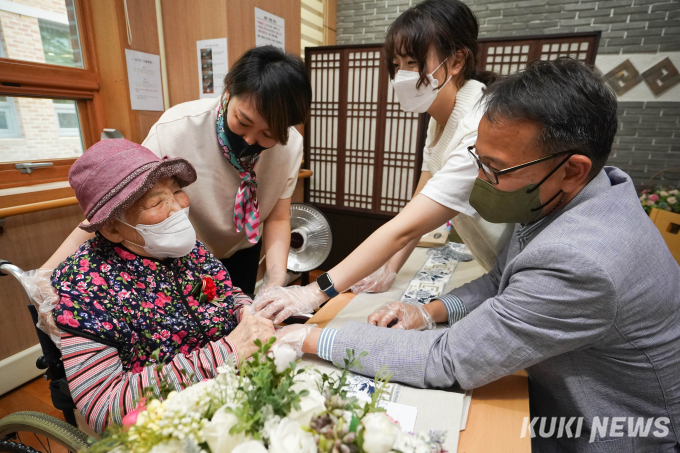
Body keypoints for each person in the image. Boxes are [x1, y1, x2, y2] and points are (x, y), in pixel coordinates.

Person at [275, 58, 680, 452]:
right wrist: (429, 311)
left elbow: (448, 360)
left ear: (572, 169)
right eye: (478, 162)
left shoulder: (581, 259)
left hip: (609, 430)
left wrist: (311, 335)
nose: (481, 180)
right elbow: (502, 278)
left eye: (495, 169)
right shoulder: (565, 194)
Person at [254, 0, 512, 322]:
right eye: (397, 62)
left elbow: (404, 229)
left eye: (413, 61)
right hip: (496, 264)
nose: (402, 74)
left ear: (456, 60)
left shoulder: (476, 128)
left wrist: (314, 292)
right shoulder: (440, 119)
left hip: (515, 264)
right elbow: (420, 198)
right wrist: (390, 268)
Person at [44, 45, 312, 295]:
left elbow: (277, 218)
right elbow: (116, 201)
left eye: (268, 134)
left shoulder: (290, 147)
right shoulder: (176, 129)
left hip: (243, 251)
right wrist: (46, 273)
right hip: (182, 256)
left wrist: (275, 280)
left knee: (238, 320)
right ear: (228, 91)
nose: (250, 140)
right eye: (243, 122)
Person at [51, 139, 275, 433]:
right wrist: (227, 351)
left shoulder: (188, 252)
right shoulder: (86, 287)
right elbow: (104, 407)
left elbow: (215, 294)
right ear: (111, 227)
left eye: (178, 191)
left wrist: (245, 312)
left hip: (230, 394)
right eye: (156, 202)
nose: (179, 208)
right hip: (165, 426)